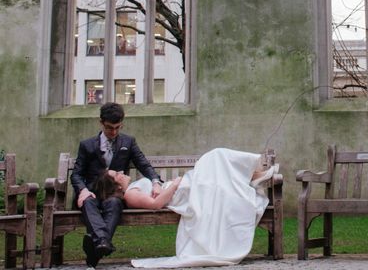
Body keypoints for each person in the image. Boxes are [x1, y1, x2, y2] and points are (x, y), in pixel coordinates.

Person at [94, 147, 278, 268]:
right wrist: (174, 184)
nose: (120, 172)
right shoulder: (130, 194)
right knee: (215, 158)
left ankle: (253, 177)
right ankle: (255, 177)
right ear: (116, 186)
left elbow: (154, 193)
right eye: (116, 174)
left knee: (215, 161)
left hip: (181, 189)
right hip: (180, 193)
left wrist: (157, 184)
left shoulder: (134, 188)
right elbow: (156, 204)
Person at [70, 102, 162, 268]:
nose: (113, 132)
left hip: (114, 194)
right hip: (91, 192)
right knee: (88, 202)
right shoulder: (87, 145)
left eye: (117, 128)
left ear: (122, 124)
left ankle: (98, 245)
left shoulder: (128, 142)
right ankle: (103, 242)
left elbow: (144, 165)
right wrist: (82, 190)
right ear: (101, 122)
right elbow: (76, 174)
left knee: (114, 203)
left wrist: (156, 182)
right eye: (109, 128)